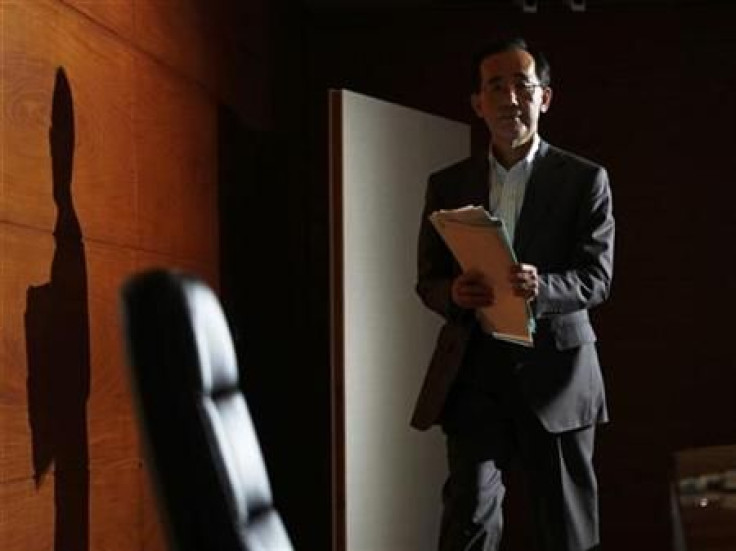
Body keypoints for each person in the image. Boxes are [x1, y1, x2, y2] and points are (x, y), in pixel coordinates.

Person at [411, 37, 614, 551]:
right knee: (467, 521)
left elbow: (597, 277)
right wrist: (454, 292)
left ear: (544, 97)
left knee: (567, 530)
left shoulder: (585, 180)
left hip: (558, 376)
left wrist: (542, 287)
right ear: (477, 103)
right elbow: (428, 280)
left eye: (522, 85)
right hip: (475, 377)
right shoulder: (448, 183)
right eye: (494, 87)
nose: (508, 98)